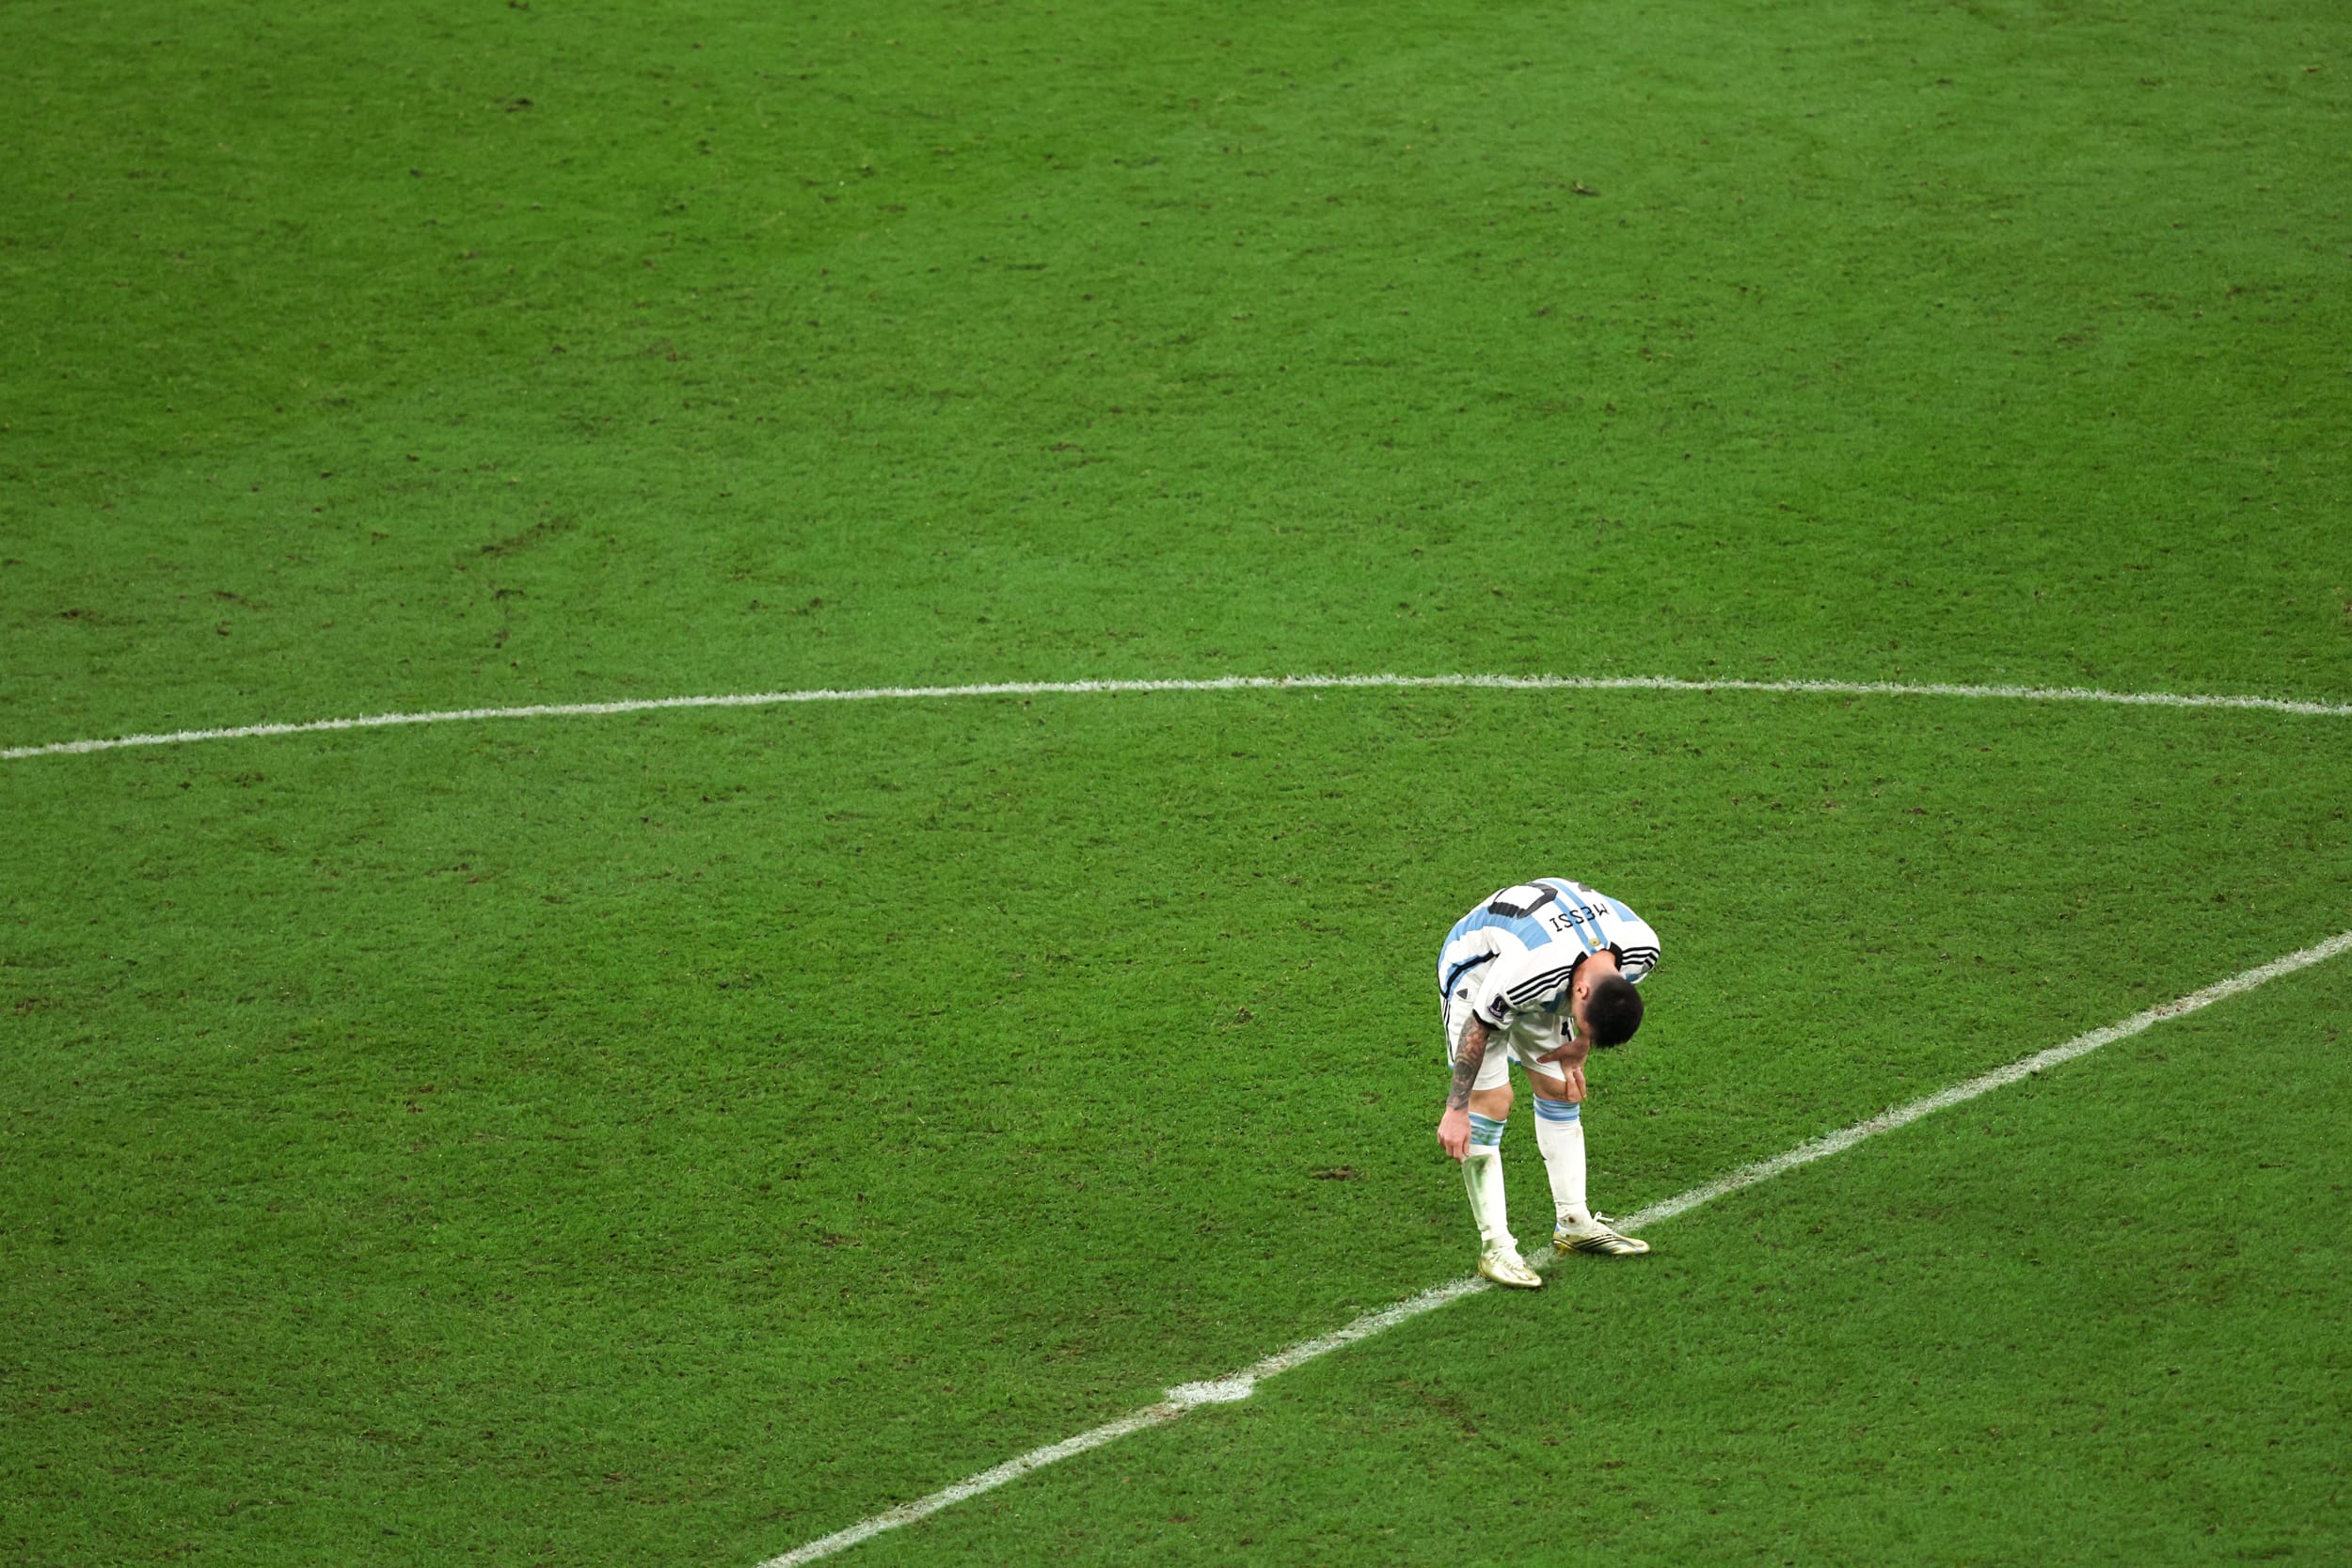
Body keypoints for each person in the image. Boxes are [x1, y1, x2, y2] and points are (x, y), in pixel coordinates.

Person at [1435, 879, 1660, 1288]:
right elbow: (1481, 1024)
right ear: (1580, 990)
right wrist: (1456, 1109)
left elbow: (1602, 1001)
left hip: (1551, 968)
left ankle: (1574, 1223)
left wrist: (1581, 1043)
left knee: (1560, 1087)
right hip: (1478, 971)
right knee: (1492, 1103)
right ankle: (1496, 1248)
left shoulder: (1642, 950)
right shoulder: (1528, 973)